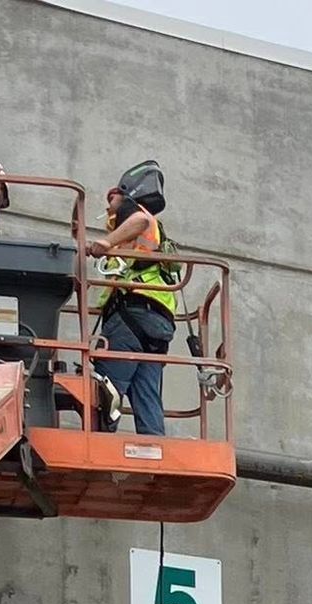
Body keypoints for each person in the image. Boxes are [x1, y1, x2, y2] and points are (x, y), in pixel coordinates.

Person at [87, 160, 179, 437]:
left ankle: (98, 443)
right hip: (158, 320)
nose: (108, 206)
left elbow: (139, 221)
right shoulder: (154, 232)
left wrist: (106, 243)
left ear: (126, 191)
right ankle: (155, 447)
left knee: (107, 387)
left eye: (111, 198)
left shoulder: (132, 210)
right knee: (147, 393)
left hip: (132, 311)